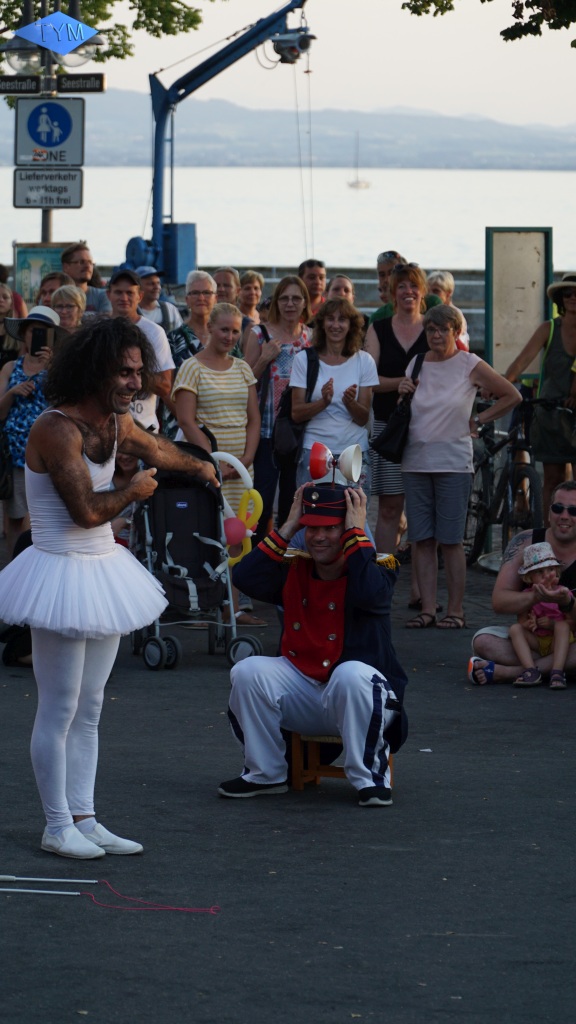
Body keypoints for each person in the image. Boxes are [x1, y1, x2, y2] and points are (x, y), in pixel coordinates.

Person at [0, 317, 219, 859]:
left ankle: (85, 817)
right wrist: (137, 489)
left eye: (139, 372)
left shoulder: (117, 424)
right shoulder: (55, 428)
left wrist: (206, 469)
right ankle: (56, 825)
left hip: (99, 570)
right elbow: (86, 511)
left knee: (91, 705)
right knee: (60, 707)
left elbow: (161, 450)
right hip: (59, 569)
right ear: (96, 372)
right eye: (124, 373)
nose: (134, 384)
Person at [218, 483, 408, 806]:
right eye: (312, 528)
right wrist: (288, 526)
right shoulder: (295, 566)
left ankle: (370, 778)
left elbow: (370, 596)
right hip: (306, 692)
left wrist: (356, 535)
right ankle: (265, 773)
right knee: (247, 672)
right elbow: (244, 579)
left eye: (330, 528)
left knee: (350, 675)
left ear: (348, 528)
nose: (319, 537)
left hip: (358, 698)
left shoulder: (376, 567)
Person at [399, 304, 520, 629]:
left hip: (453, 462)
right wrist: (402, 391)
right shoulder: (417, 362)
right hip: (415, 461)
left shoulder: (469, 363)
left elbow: (511, 396)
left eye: (443, 329)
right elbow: (409, 409)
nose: (436, 335)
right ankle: (427, 608)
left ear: (455, 331)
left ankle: (455, 611)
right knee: (422, 539)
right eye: (431, 330)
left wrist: (478, 420)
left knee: (450, 540)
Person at [172, 302, 264, 626]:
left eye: (236, 330)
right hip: (207, 467)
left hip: (242, 470)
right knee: (207, 537)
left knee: (238, 538)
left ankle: (234, 610)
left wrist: (247, 457)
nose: (229, 336)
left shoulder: (243, 369)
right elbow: (186, 421)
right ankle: (202, 605)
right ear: (210, 327)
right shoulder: (191, 368)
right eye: (224, 329)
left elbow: (254, 420)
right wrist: (211, 461)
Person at [469, 481, 576, 685]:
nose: (564, 516)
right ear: (548, 513)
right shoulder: (526, 542)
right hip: (536, 639)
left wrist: (566, 603)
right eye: (558, 508)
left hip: (570, 639)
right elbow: (499, 601)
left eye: (574, 510)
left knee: (564, 632)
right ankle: (559, 668)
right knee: (483, 641)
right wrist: (535, 596)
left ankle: (513, 672)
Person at [365, 262, 430, 555]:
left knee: (421, 510)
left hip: (428, 428)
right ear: (392, 292)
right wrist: (399, 384)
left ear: (422, 291)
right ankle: (383, 579)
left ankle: (419, 589)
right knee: (390, 510)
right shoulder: (377, 329)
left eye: (413, 285)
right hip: (388, 427)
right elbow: (368, 380)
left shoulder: (434, 327)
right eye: (401, 286)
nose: (408, 291)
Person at [244, 276, 313, 543]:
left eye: (296, 298)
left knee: (292, 502)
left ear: (305, 302)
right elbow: (245, 379)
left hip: (299, 431)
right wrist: (264, 358)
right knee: (260, 504)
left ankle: (285, 565)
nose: (290, 304)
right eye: (284, 298)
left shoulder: (310, 336)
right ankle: (258, 564)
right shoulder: (259, 334)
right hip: (266, 431)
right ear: (276, 302)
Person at [505, 272, 576, 518]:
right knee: (553, 479)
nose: (572, 297)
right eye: (567, 293)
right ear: (560, 298)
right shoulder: (549, 328)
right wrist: (501, 385)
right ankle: (548, 539)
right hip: (550, 414)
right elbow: (520, 362)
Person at [291, 297, 378, 495]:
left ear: (351, 325)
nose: (336, 325)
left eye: (342, 320)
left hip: (354, 452)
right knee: (315, 516)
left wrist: (350, 403)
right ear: (321, 323)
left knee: (355, 518)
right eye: (330, 319)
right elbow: (296, 413)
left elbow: (363, 418)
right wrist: (323, 402)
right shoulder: (304, 359)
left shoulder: (364, 361)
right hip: (313, 453)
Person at [0, 306, 65, 555]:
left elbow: (67, 404)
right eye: (31, 331)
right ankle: (14, 567)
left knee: (46, 514)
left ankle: (40, 564)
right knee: (15, 517)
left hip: (50, 452)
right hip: (16, 454)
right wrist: (12, 393)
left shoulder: (60, 367)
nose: (35, 337)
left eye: (43, 332)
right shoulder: (10, 367)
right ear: (24, 335)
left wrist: (52, 370)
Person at [106, 269, 175, 432]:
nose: (124, 298)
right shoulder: (98, 331)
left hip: (143, 429)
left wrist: (122, 373)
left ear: (140, 296)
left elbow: (165, 386)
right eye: (118, 292)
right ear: (108, 294)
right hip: (105, 429)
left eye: (130, 293)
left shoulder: (154, 332)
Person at [508, 542, 573, 689]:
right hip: (537, 640)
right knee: (514, 629)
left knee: (563, 626)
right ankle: (531, 670)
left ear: (557, 571)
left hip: (557, 641)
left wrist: (553, 624)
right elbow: (522, 621)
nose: (546, 575)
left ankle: (557, 671)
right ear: (530, 577)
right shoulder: (527, 596)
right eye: (540, 572)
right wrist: (530, 624)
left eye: (550, 569)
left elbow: (571, 622)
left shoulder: (562, 592)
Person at [369, 251, 441, 325]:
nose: (387, 279)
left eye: (392, 273)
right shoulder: (377, 318)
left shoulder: (432, 304)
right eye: (382, 275)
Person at [61, 242, 111, 314]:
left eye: (90, 262)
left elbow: (106, 321)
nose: (88, 266)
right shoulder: (53, 295)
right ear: (66, 267)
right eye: (81, 262)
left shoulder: (103, 295)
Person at [426, 270, 470, 350]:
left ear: (448, 293)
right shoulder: (425, 311)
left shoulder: (456, 315)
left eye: (436, 291)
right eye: (428, 291)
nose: (430, 295)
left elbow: (462, 347)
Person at [135, 265, 183, 333]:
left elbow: (181, 338)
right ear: (137, 288)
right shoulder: (130, 312)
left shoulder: (170, 310)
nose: (157, 287)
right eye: (151, 284)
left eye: (158, 283)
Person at [0, 283, 20, 368]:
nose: (1, 300)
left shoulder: (18, 329)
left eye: (5, 297)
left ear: (11, 303)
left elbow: (21, 363)